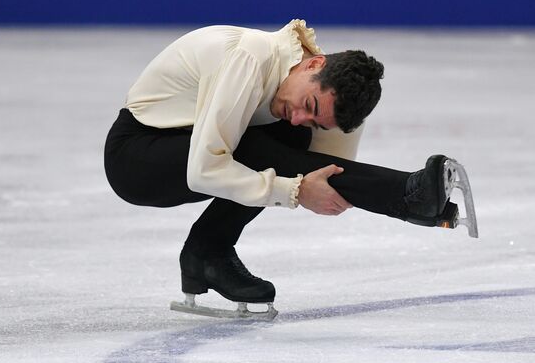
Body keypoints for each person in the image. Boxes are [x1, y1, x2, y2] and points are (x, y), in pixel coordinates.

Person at [104, 19, 475, 318]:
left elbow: (329, 171)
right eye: (310, 102)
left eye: (316, 117)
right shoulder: (249, 60)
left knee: (292, 139)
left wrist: (318, 187)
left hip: (190, 144)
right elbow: (203, 170)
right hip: (136, 156)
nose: (300, 116)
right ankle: (407, 196)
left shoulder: (312, 89)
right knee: (261, 147)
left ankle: (207, 255)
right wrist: (292, 191)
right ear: (314, 63)